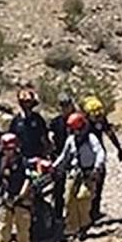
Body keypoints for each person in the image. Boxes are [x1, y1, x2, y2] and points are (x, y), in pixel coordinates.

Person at [52, 112, 106, 240]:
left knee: (83, 198)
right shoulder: (70, 140)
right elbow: (64, 156)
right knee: (69, 199)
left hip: (88, 173)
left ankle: (84, 224)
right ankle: (72, 228)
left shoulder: (91, 138)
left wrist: (98, 167)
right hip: (73, 173)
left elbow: (100, 152)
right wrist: (54, 167)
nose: (76, 132)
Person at [0, 133, 33, 242]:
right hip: (6, 199)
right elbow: (2, 179)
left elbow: (28, 180)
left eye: (8, 149)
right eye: (4, 150)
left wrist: (20, 196)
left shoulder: (23, 162)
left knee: (22, 231)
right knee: (3, 229)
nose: (6, 152)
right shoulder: (3, 161)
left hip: (21, 201)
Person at [82, 96, 122, 221]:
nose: (98, 119)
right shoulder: (84, 124)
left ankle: (95, 211)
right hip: (86, 157)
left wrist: (119, 148)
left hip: (99, 155)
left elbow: (109, 133)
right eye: (95, 116)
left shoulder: (101, 121)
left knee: (99, 183)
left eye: (100, 116)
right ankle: (86, 214)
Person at [48, 92, 77, 222]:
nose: (65, 108)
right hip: (58, 156)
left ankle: (75, 215)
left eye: (67, 105)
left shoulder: (78, 120)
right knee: (58, 187)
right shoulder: (56, 122)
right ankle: (58, 215)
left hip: (75, 158)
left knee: (74, 187)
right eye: (62, 105)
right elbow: (49, 137)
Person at [9, 88, 49, 159]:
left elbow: (44, 138)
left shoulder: (38, 119)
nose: (25, 104)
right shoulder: (16, 121)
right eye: (22, 102)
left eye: (28, 101)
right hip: (22, 157)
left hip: (37, 156)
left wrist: (45, 154)